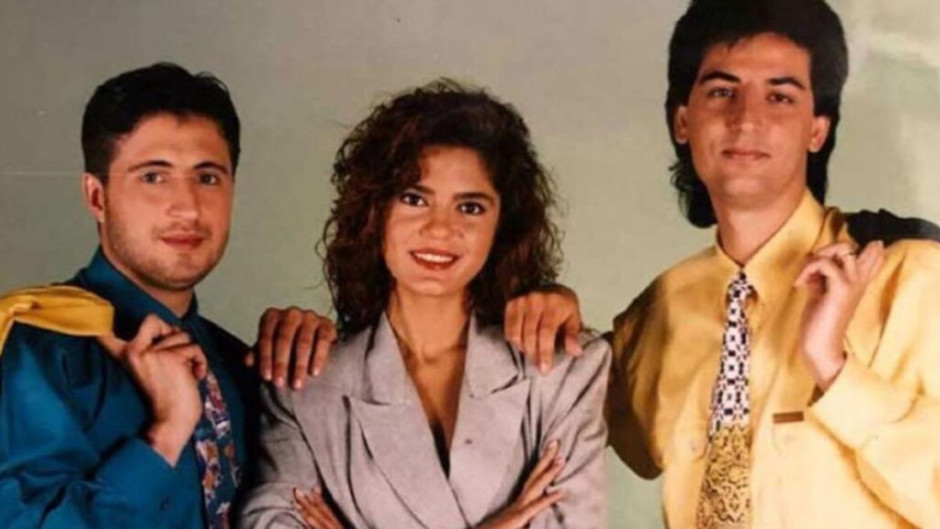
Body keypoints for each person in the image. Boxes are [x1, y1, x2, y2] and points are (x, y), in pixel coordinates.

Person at [507, 1, 940, 527]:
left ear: (817, 129)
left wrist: (834, 369)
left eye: (780, 96)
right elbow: (554, 412)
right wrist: (553, 305)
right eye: (721, 91)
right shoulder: (663, 311)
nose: (746, 118)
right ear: (683, 121)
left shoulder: (912, 280)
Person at [239, 80, 611, 529]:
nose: (439, 229)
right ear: (375, 211)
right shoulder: (303, 387)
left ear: (502, 224)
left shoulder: (564, 371)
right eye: (414, 199)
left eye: (470, 207)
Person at [0, 63, 330, 529]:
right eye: (154, 177)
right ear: (97, 197)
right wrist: (166, 433)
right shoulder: (35, 352)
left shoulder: (237, 366)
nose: (187, 208)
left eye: (208, 178)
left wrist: (309, 355)